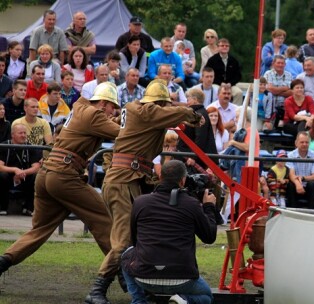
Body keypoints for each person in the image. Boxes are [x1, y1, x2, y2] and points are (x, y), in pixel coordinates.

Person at [0, 83, 123, 303]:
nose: (113, 111)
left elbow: (107, 125)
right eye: (112, 106)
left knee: (39, 230)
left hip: (49, 174)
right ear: (103, 103)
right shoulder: (94, 115)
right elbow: (124, 134)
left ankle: (3, 262)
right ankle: (121, 274)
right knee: (105, 220)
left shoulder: (82, 109)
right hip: (64, 175)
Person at [100, 80, 203, 302]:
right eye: (163, 105)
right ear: (157, 103)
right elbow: (176, 113)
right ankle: (98, 288)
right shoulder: (145, 111)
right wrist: (192, 114)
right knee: (124, 240)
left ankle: (134, 283)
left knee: (137, 238)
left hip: (129, 179)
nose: (164, 109)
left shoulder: (136, 112)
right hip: (123, 180)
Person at [120, 160, 216, 304]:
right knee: (206, 297)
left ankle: (138, 301)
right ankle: (183, 300)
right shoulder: (191, 204)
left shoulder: (140, 202)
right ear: (183, 180)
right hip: (183, 278)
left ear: (160, 177)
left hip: (143, 276)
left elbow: (135, 241)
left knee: (125, 255)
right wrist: (208, 206)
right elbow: (209, 237)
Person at [0, 123, 41, 215]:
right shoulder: (4, 146)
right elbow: (0, 166)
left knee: (37, 176)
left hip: (24, 176)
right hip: (9, 176)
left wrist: (22, 173)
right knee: (2, 175)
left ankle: (29, 208)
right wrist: (15, 170)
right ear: (12, 135)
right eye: (20, 133)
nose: (23, 135)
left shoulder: (31, 147)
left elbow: (36, 167)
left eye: (24, 133)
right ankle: (3, 207)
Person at [177, 88, 217, 168]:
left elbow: (200, 138)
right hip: (190, 156)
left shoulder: (199, 114)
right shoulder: (199, 112)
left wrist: (193, 157)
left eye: (188, 100)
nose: (187, 103)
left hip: (194, 160)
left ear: (195, 99)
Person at [285, 132, 314, 209]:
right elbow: (291, 174)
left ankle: (312, 212)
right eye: (302, 142)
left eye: (307, 142)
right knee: (291, 184)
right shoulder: (290, 155)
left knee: (313, 184)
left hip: (309, 185)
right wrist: (298, 183)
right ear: (296, 143)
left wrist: (302, 178)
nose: (304, 144)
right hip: (295, 184)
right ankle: (292, 211)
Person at [205, 38, 243, 105]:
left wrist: (230, 83)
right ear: (218, 47)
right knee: (215, 91)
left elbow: (238, 75)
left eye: (226, 46)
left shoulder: (234, 60)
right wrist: (220, 83)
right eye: (222, 45)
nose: (224, 47)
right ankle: (215, 110)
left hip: (230, 85)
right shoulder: (212, 60)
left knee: (238, 93)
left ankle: (235, 112)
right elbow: (208, 74)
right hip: (216, 84)